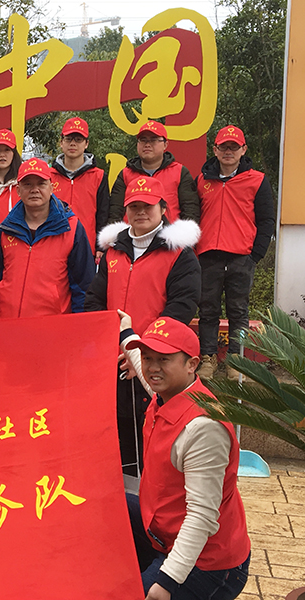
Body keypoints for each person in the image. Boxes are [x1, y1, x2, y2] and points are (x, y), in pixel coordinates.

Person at [123, 317, 251, 600]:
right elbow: (147, 374)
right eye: (147, 357)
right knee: (114, 505)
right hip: (166, 533)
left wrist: (166, 581)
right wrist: (125, 330)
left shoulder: (203, 428)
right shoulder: (168, 394)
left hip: (209, 562)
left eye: (164, 359)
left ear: (192, 364)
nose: (152, 367)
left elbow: (202, 516)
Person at [85, 176, 201, 476]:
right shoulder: (113, 251)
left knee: (151, 440)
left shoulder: (180, 254)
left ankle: (151, 498)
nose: (140, 212)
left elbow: (181, 308)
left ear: (163, 209)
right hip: (112, 361)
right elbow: (95, 300)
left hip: (154, 362)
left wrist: (142, 354)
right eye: (134, 206)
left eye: (147, 206)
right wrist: (110, 346)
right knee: (114, 439)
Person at [195, 125, 275, 380]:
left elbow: (266, 221)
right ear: (215, 149)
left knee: (238, 312)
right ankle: (208, 358)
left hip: (242, 257)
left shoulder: (257, 180)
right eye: (224, 147)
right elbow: (194, 216)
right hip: (208, 255)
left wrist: (255, 255)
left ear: (243, 150)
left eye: (234, 147)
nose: (228, 151)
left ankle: (235, 360)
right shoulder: (202, 180)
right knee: (207, 310)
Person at [0, 157, 94, 318]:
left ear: (51, 187)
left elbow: (83, 287)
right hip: (6, 324)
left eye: (41, 183)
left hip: (52, 327)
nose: (34, 189)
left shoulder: (72, 229)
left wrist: (80, 326)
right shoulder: (5, 230)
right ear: (18, 190)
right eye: (28, 184)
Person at [109, 121, 199, 225]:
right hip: (133, 233)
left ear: (165, 145)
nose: (147, 145)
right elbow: (115, 211)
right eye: (143, 140)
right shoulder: (126, 174)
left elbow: (190, 210)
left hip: (169, 233)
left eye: (153, 140)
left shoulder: (180, 172)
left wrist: (184, 233)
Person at [49, 117, 109, 257]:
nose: (73, 143)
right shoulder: (48, 175)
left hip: (86, 247)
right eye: (68, 139)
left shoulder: (99, 176)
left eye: (78, 139)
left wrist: (100, 247)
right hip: (53, 245)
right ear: (61, 142)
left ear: (86, 143)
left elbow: (103, 214)